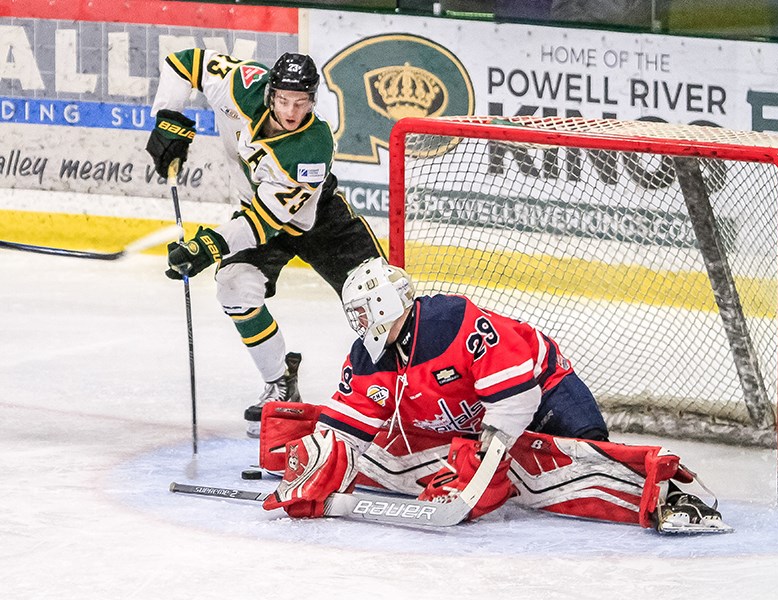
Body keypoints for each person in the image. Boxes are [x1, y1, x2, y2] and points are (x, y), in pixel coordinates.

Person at [259, 257, 731, 533]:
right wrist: (313, 468)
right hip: (473, 419)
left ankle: (670, 498)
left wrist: (491, 448)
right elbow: (346, 426)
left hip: (543, 392)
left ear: (384, 305)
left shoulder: (451, 323)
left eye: (363, 312)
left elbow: (517, 399)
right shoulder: (368, 356)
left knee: (584, 451)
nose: (358, 323)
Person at [146, 50, 384, 437]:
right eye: (284, 100)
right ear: (270, 92)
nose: (291, 111)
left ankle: (403, 392)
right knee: (235, 287)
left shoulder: (311, 147)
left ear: (313, 101)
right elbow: (183, 62)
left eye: (302, 102)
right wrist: (168, 117)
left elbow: (266, 222)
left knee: (381, 298)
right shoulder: (241, 86)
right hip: (252, 210)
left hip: (319, 221)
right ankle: (280, 382)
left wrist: (208, 247)